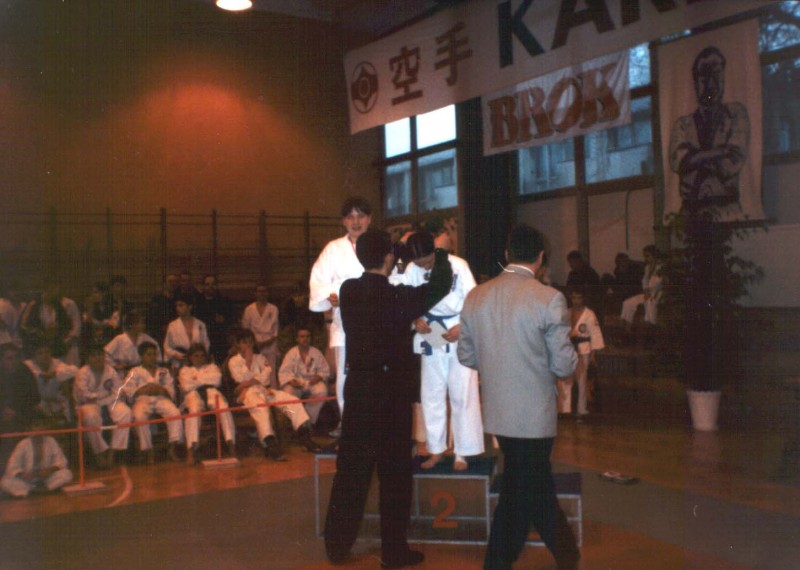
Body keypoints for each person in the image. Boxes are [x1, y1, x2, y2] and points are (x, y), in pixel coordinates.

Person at [324, 228, 453, 569]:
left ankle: (337, 546)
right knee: (394, 476)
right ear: (388, 257)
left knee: (351, 472)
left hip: (359, 390)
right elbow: (440, 285)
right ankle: (394, 552)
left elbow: (377, 277)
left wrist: (392, 253)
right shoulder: (398, 297)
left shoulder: (349, 291)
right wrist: (439, 252)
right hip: (391, 394)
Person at [458, 224, 580, 570]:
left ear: (507, 254)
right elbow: (563, 366)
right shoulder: (549, 298)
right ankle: (506, 560)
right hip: (534, 416)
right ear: (541, 258)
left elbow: (466, 356)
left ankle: (560, 555)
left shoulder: (476, 296)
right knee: (528, 487)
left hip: (499, 414)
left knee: (523, 483)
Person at [403, 232, 484, 472]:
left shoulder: (458, 265)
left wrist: (463, 327)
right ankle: (436, 449)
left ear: (435, 252)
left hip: (458, 326)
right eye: (420, 264)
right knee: (432, 392)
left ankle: (463, 452)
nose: (424, 267)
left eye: (427, 262)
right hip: (431, 329)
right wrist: (415, 319)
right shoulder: (411, 269)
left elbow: (474, 300)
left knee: (462, 391)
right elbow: (405, 300)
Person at [308, 196, 371, 428]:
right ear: (344, 221)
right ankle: (350, 429)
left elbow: (395, 278)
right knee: (346, 380)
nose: (355, 222)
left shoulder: (381, 244)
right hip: (345, 326)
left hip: (376, 324)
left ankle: (375, 432)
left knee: (374, 380)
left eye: (360, 216)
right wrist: (330, 296)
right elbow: (318, 280)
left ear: (369, 219)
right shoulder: (333, 249)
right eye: (350, 217)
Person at [669, 46, 749, 209]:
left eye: (716, 76)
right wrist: (720, 151)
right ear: (695, 82)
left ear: (723, 79)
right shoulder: (682, 125)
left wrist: (695, 159)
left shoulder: (736, 114)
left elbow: (730, 164)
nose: (711, 85)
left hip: (727, 209)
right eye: (704, 78)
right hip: (690, 212)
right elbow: (678, 163)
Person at [228, 329, 320, 461]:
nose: (248, 346)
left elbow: (265, 378)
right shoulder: (234, 361)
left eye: (250, 342)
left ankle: (304, 437)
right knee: (261, 408)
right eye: (244, 342)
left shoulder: (261, 358)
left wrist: (246, 383)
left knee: (291, 401)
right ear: (238, 344)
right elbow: (240, 378)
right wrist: (248, 361)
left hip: (265, 391)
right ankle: (269, 444)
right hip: (247, 394)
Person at [122, 341, 183, 464]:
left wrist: (161, 389)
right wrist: (143, 389)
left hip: (161, 398)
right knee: (139, 417)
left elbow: (170, 390)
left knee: (175, 413)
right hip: (142, 400)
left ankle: (172, 448)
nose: (152, 357)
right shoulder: (135, 371)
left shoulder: (164, 371)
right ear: (141, 356)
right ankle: (148, 450)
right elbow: (128, 390)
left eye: (154, 354)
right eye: (149, 354)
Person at [73, 345, 131, 469]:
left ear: (104, 357)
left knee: (125, 412)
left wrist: (104, 398)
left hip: (109, 401)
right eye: (93, 356)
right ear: (88, 359)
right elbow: (85, 395)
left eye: (100, 355)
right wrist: (103, 396)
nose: (97, 358)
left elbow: (118, 391)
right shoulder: (82, 373)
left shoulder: (110, 371)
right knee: (90, 416)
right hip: (87, 404)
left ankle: (112, 452)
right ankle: (99, 454)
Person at [178, 343, 236, 464]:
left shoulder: (212, 367)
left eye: (202, 356)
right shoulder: (185, 370)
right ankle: (191, 450)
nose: (199, 358)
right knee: (193, 412)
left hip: (211, 392)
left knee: (223, 408)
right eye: (196, 356)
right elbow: (186, 385)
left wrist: (195, 380)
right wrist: (205, 380)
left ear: (205, 357)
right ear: (190, 357)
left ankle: (231, 445)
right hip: (193, 394)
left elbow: (216, 381)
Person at [558, 288, 604, 419]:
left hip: (583, 350)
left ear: (583, 299)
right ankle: (564, 410)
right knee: (565, 379)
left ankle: (581, 410)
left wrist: (593, 355)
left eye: (578, 298)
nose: (576, 301)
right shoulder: (567, 313)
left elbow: (595, 335)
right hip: (568, 349)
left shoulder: (589, 314)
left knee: (582, 381)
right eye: (574, 298)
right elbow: (560, 332)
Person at [0, 418, 73, 498]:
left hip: (46, 478)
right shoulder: (23, 444)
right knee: (5, 482)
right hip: (28, 480)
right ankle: (32, 491)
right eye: (36, 427)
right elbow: (12, 465)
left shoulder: (51, 441)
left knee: (67, 474)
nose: (38, 430)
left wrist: (50, 470)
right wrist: (22, 474)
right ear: (29, 430)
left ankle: (45, 489)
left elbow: (61, 460)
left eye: (41, 427)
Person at [19, 280, 82, 365]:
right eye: (54, 291)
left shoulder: (58, 306)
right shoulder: (34, 304)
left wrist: (58, 333)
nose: (57, 294)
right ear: (47, 290)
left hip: (54, 347)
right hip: (37, 347)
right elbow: (23, 326)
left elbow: (66, 325)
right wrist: (41, 332)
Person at [278, 327, 330, 427]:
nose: (305, 339)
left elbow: (324, 370)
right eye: (302, 336)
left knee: (322, 391)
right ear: (297, 339)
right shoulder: (291, 353)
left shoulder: (316, 353)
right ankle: (298, 420)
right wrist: (291, 381)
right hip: (295, 382)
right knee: (287, 394)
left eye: (307, 336)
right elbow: (284, 372)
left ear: (310, 338)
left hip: (312, 382)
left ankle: (308, 419)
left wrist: (318, 377)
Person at [24, 342, 79, 424]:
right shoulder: (27, 365)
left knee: (67, 398)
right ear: (34, 356)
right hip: (36, 403)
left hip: (55, 401)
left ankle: (69, 423)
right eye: (40, 353)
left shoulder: (56, 363)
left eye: (47, 352)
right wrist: (42, 375)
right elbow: (25, 374)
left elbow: (75, 370)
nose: (45, 356)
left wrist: (57, 373)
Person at [240, 284, 280, 387]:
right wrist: (254, 343)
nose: (262, 293)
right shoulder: (249, 309)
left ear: (268, 293)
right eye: (259, 291)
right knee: (255, 369)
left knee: (270, 370)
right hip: (254, 343)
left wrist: (266, 343)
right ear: (255, 293)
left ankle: (273, 391)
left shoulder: (273, 309)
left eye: (264, 291)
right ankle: (255, 391)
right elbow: (246, 329)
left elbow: (275, 330)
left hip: (270, 342)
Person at [621, 245, 663, 334]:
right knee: (628, 303)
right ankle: (627, 331)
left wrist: (649, 291)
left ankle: (650, 332)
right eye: (645, 256)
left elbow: (659, 283)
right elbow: (644, 281)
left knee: (649, 303)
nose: (645, 258)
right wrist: (646, 289)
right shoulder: (647, 267)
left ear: (654, 256)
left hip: (657, 294)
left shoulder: (661, 267)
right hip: (646, 293)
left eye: (647, 256)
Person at [163, 294, 210, 374]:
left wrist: (199, 357)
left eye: (181, 305)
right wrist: (177, 355)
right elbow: (167, 347)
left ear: (190, 307)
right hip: (179, 362)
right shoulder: (172, 325)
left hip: (198, 362)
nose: (177, 308)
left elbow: (206, 344)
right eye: (176, 306)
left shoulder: (200, 324)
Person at [104, 311, 162, 375]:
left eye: (143, 323)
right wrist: (115, 365)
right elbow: (105, 354)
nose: (143, 326)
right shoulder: (119, 339)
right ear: (132, 325)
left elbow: (156, 351)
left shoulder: (146, 338)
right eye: (140, 323)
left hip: (142, 372)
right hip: (123, 372)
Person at [193, 274, 234, 365]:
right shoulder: (197, 302)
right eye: (207, 284)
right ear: (203, 286)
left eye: (213, 284)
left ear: (216, 285)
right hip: (201, 339)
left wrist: (224, 320)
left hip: (219, 340)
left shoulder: (224, 301)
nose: (210, 286)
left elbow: (231, 320)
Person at [565, 251, 602, 318]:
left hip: (588, 303)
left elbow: (593, 293)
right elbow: (568, 289)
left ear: (578, 261)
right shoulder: (572, 274)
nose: (570, 265)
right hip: (575, 301)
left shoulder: (590, 273)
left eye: (571, 262)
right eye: (569, 262)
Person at [147, 273, 179, 343]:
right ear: (164, 284)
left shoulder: (179, 300)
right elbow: (152, 320)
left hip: (177, 334)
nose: (173, 284)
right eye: (170, 281)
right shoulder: (156, 300)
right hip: (161, 334)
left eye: (175, 282)